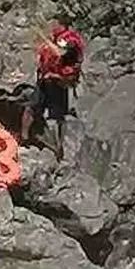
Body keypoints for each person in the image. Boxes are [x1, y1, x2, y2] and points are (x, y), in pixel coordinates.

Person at [20, 14, 84, 160]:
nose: (52, 26)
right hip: (45, 80)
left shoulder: (70, 39)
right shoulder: (57, 38)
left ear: (61, 25)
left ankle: (58, 149)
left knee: (57, 117)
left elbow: (61, 53)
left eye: (54, 24)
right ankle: (24, 139)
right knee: (30, 108)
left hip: (59, 82)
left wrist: (44, 38)